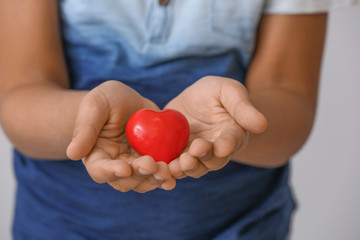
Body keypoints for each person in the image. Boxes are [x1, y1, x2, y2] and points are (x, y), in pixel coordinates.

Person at [0, 0, 357, 239]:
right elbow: (21, 93)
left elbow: (291, 102)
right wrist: (88, 119)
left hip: (241, 226)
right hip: (59, 226)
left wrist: (235, 124)